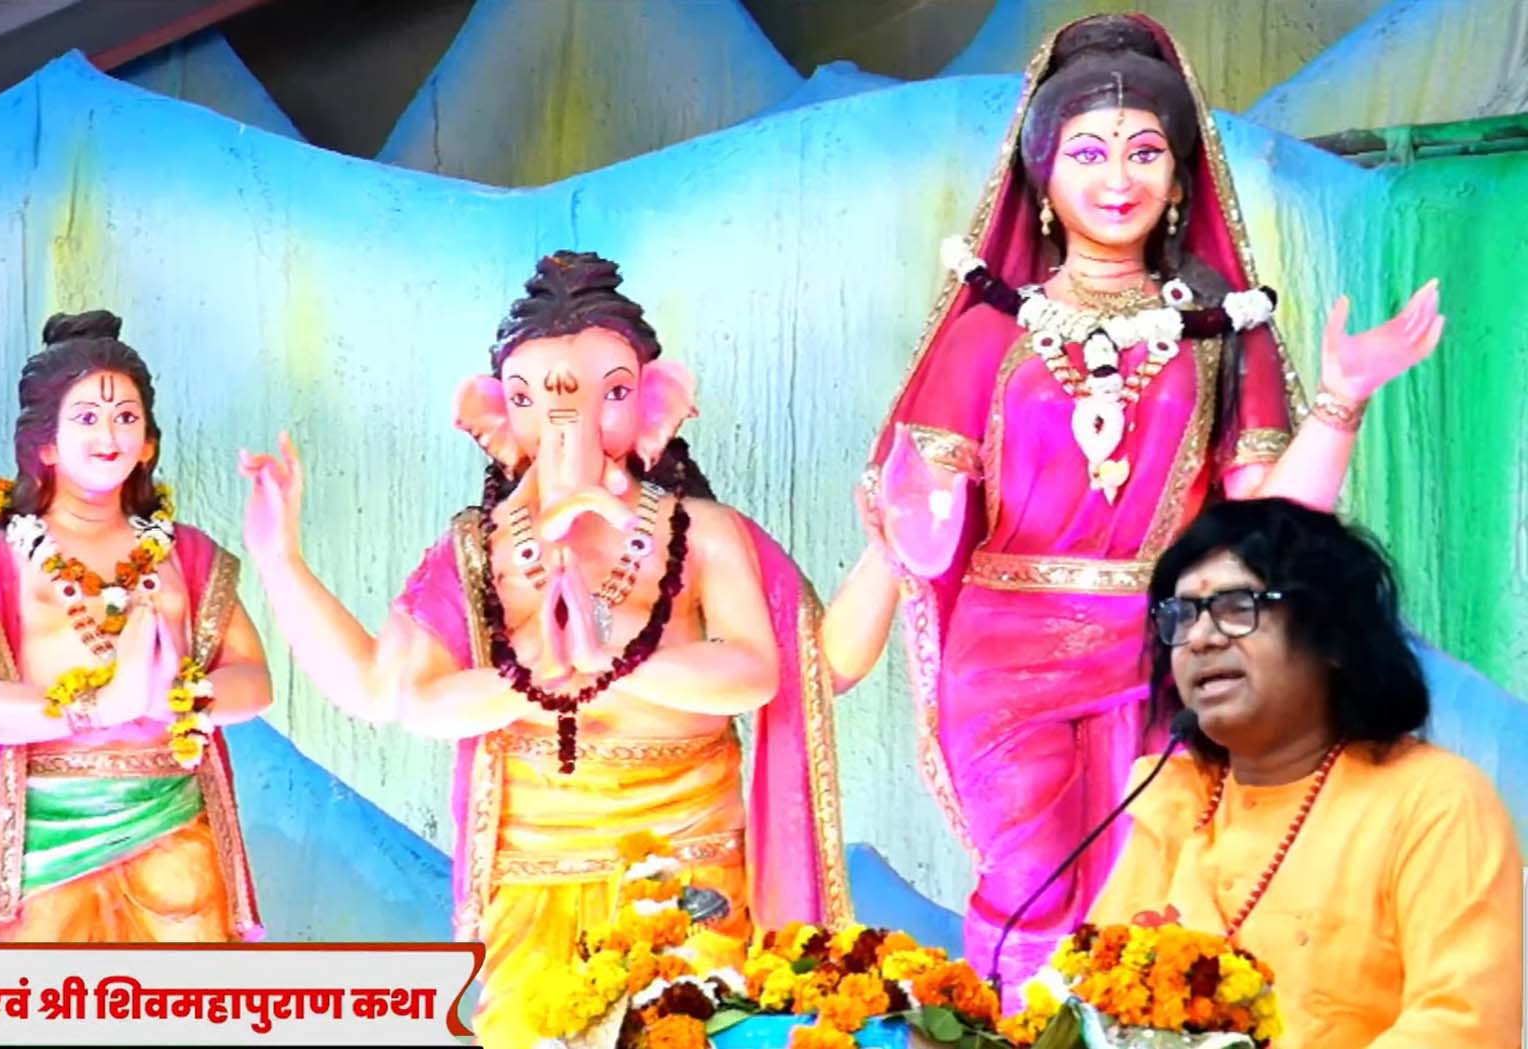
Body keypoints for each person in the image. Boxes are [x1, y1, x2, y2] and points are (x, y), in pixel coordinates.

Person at [861, 13, 1444, 991]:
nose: (1118, 177)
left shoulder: (1221, 331)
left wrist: (1341, 399)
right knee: (1029, 882)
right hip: (1005, 655)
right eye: (1088, 152)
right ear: (1042, 177)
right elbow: (921, 519)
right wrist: (914, 508)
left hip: (1164, 649)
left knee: (1157, 899)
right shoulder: (987, 331)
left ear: (1178, 178)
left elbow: (1272, 527)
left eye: (1145, 151)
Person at [239, 251, 897, 1045]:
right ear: (495, 414)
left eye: (606, 393)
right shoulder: (477, 549)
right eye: (532, 398)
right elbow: (393, 692)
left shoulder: (701, 533)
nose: (566, 424)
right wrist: (281, 563)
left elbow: (790, 669)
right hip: (535, 872)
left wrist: (891, 553)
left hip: (687, 862)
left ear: (655, 404)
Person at [1089, 497, 1522, 1047]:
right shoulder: (1175, 799)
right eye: (1182, 615)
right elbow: (1089, 1003)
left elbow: (1464, 1025)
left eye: (1238, 606)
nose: (1200, 638)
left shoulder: (1433, 800)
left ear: (1333, 637)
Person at [0, 310, 269, 941]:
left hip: (172, 819)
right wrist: (92, 710)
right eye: (86, 417)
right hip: (48, 839)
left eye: (126, 417)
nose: (109, 434)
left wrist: (190, 700)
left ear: (149, 443)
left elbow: (253, 678)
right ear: (46, 444)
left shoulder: (184, 555)